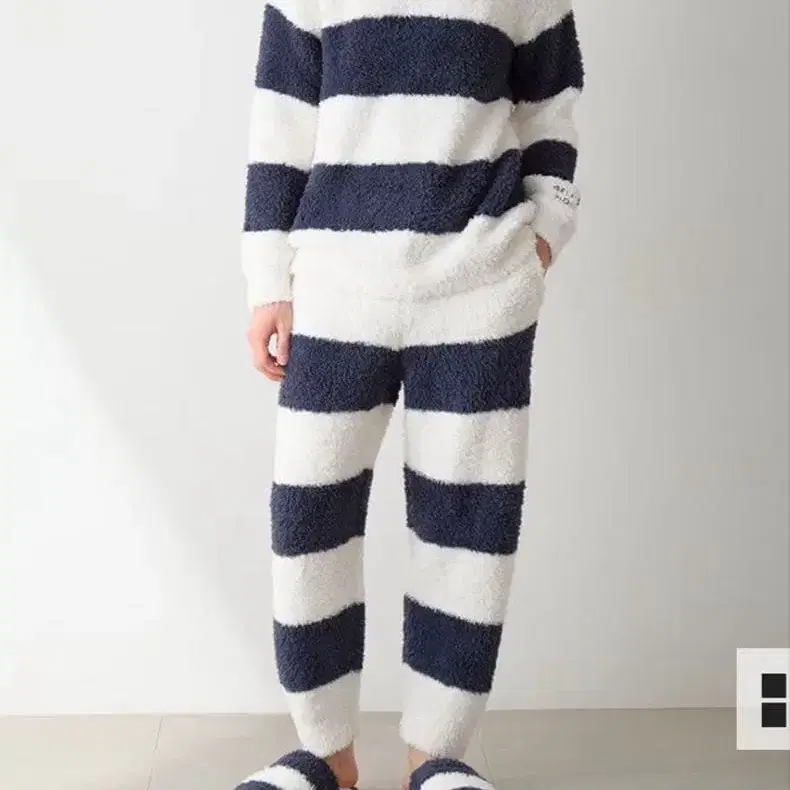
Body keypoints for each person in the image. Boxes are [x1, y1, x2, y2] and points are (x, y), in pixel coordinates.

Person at [238, 2, 583, 789]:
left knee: (467, 528)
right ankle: (325, 756)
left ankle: (439, 759)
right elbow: (281, 117)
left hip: (477, 282)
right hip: (335, 283)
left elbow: (552, 99)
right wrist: (268, 282)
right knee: (308, 517)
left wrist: (540, 238)